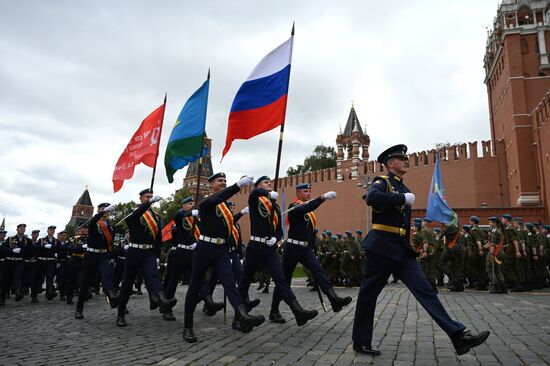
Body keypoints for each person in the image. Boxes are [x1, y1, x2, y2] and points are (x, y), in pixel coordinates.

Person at [352, 144, 489, 356]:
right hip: (381, 248)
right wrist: (400, 199)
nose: (406, 161)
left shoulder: (405, 189)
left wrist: (403, 199)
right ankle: (361, 342)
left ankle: (458, 336)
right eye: (400, 158)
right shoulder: (383, 182)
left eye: (406, 158)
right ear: (390, 164)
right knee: (368, 295)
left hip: (401, 250)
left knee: (426, 290)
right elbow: (372, 199)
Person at [182, 173, 265, 343]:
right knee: (195, 285)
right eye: (220, 181)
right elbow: (214, 200)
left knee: (230, 283)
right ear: (211, 185)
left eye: (225, 181)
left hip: (221, 250)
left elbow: (228, 227)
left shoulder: (225, 206)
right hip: (204, 248)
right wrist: (237, 186)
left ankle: (243, 316)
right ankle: (188, 326)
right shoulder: (205, 201)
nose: (223, 183)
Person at [238, 176, 318, 327]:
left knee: (281, 280)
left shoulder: (274, 207)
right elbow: (254, 194)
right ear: (258, 186)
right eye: (265, 182)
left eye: (269, 182)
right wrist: (266, 194)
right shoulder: (255, 199)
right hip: (255, 247)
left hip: (269, 249)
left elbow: (279, 230)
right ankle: (239, 317)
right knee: (245, 280)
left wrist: (275, 238)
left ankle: (298, 311)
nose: (269, 183)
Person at [270, 183, 352, 316]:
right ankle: (274, 310)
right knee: (285, 280)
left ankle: (334, 299)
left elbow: (310, 232)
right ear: (298, 194)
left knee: (319, 271)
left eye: (309, 191)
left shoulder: (309, 212)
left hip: (305, 248)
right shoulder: (293, 207)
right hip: (292, 247)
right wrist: (322, 198)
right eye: (305, 191)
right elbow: (305, 207)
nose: (308, 193)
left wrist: (313, 248)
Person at [117, 189, 177, 327]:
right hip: (134, 251)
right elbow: (135, 218)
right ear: (140, 198)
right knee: (127, 283)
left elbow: (157, 239)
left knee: (154, 275)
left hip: (149, 252)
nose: (149, 198)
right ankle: (120, 314)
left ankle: (162, 299)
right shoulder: (135, 213)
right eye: (147, 197)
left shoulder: (156, 217)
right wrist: (149, 203)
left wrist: (157, 255)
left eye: (151, 196)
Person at [75, 203, 119, 319]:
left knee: (107, 276)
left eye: (107, 209)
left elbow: (111, 244)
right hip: (91, 255)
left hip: (104, 255)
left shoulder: (109, 226)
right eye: (103, 209)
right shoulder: (94, 223)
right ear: (99, 210)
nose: (105, 211)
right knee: (86, 282)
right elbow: (92, 222)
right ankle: (79, 309)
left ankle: (112, 297)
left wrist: (112, 257)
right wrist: (101, 213)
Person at [2, 224, 32, 302]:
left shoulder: (27, 240)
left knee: (18, 277)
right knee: (6, 280)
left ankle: (18, 292)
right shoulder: (10, 239)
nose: (22, 229)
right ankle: (2, 298)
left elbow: (30, 251)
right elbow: (3, 248)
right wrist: (11, 250)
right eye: (20, 228)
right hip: (9, 261)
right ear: (17, 229)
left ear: (25, 230)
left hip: (19, 261)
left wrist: (22, 251)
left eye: (23, 228)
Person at [33, 225, 60, 302]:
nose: (52, 231)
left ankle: (49, 293)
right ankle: (34, 295)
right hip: (41, 261)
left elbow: (59, 252)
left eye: (53, 230)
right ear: (47, 231)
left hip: (51, 262)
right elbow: (35, 247)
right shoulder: (41, 240)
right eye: (50, 230)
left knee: (50, 278)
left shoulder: (56, 241)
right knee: (37, 279)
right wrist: (43, 246)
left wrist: (58, 261)